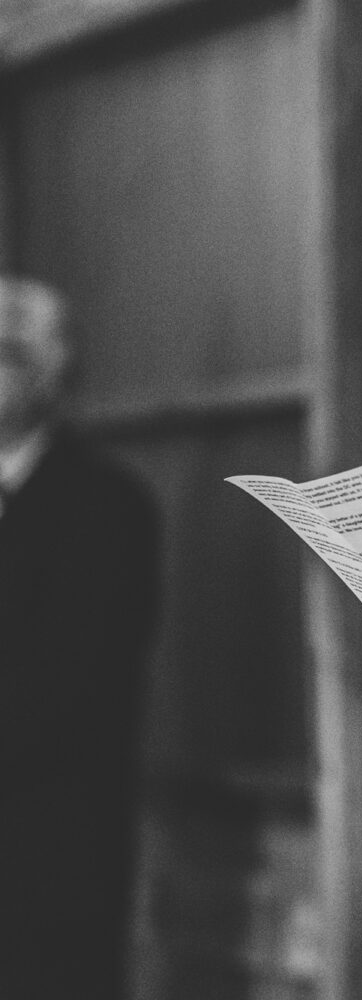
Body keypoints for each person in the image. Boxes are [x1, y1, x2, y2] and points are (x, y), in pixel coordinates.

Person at [0, 275, 159, 998]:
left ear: (57, 371)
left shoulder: (109, 506)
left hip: (51, 856)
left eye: (11, 348)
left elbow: (68, 691)